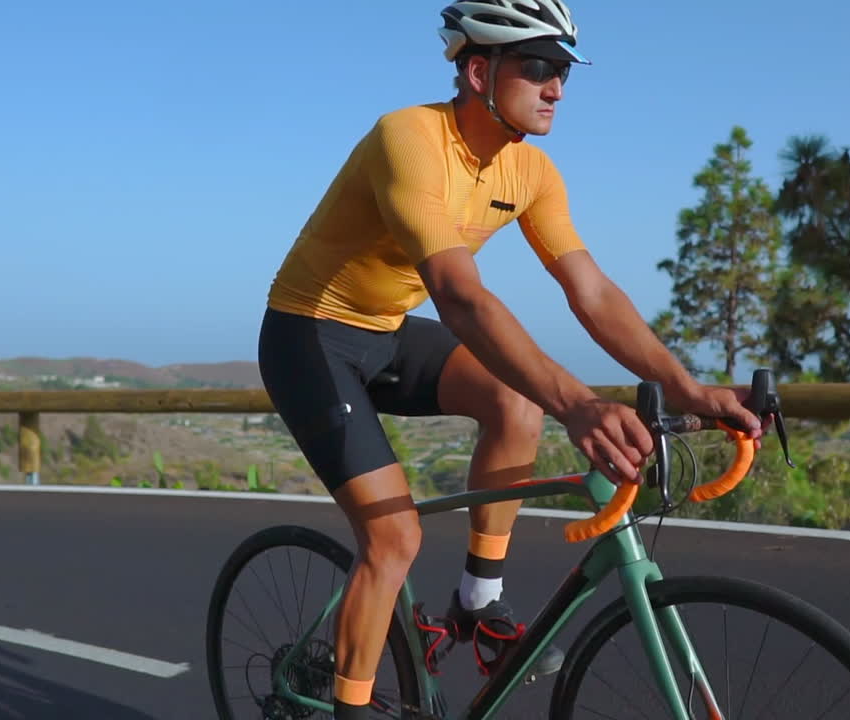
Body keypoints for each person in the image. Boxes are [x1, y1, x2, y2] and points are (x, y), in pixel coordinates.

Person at [257, 2, 763, 717]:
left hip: (389, 330)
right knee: (394, 537)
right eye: (539, 68)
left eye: (564, 72)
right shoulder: (409, 138)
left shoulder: (531, 172)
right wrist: (578, 403)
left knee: (515, 401)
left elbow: (590, 291)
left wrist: (684, 387)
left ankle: (479, 602)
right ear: (478, 71)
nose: (557, 87)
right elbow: (459, 295)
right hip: (309, 335)